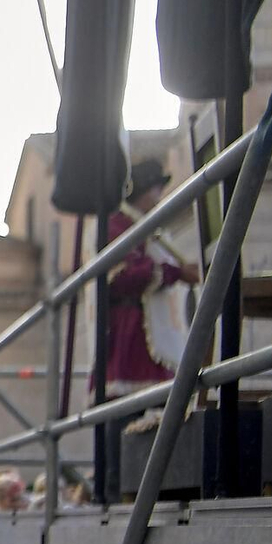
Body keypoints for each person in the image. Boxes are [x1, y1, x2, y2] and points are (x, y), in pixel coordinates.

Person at [97, 158, 202, 500]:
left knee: (150, 407)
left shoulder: (143, 224)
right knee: (125, 409)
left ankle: (146, 485)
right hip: (131, 333)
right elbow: (125, 274)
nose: (159, 196)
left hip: (148, 335)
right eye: (156, 188)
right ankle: (117, 487)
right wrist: (174, 272)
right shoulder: (117, 224)